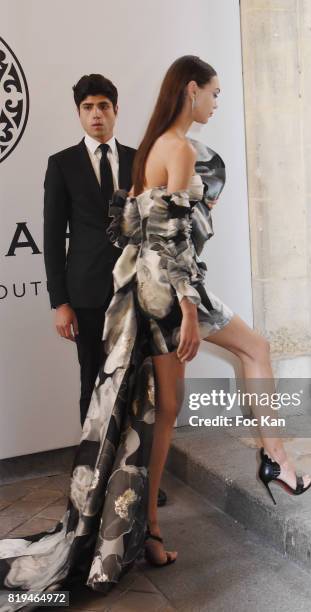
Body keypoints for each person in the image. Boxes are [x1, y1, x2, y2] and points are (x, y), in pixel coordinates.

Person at [0, 56, 311, 610]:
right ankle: (277, 458)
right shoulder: (180, 147)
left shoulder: (146, 149)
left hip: (144, 290)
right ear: (191, 91)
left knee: (165, 407)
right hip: (170, 291)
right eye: (213, 93)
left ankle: (147, 530)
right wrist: (189, 310)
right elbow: (171, 246)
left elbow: (134, 229)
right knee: (255, 349)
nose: (216, 102)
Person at [42, 73, 167, 508]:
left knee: (138, 386)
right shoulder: (62, 164)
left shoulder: (141, 158)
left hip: (138, 292)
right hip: (89, 294)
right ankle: (91, 481)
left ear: (116, 109)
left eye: (104, 106)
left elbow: (157, 226)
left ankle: (139, 483)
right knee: (94, 384)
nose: (97, 114)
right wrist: (60, 302)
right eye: (88, 108)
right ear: (79, 113)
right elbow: (53, 236)